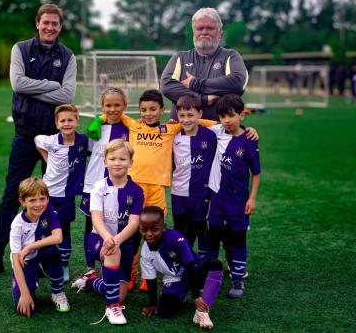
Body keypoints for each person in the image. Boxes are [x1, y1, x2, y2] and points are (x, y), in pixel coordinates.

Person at [0, 3, 76, 279]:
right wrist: (52, 86)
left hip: (55, 142)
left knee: (52, 199)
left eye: (55, 23)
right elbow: (18, 84)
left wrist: (38, 87)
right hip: (25, 136)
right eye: (46, 22)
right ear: (37, 23)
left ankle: (49, 259)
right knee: (11, 197)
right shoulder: (20, 49)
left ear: (60, 27)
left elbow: (67, 96)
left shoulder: (68, 56)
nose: (50, 27)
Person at [87, 89, 218, 292]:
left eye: (153, 109)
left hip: (157, 189)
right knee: (131, 234)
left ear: (162, 110)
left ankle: (149, 279)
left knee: (155, 234)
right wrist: (98, 120)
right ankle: (129, 276)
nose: (148, 113)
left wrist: (234, 127)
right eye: (144, 110)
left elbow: (198, 122)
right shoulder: (134, 125)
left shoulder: (169, 128)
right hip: (134, 189)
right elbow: (115, 113)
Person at [71, 139, 144, 325]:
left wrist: (117, 239)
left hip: (125, 240)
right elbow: (96, 219)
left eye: (122, 158)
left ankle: (90, 281)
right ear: (105, 161)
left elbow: (134, 223)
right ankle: (112, 308)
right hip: (99, 238)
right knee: (114, 251)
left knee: (120, 295)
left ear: (131, 162)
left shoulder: (137, 191)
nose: (117, 162)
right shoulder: (98, 188)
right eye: (112, 158)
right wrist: (109, 238)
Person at [206, 94, 261, 299]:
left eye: (231, 116)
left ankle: (237, 278)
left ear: (241, 115)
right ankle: (210, 277)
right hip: (217, 199)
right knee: (213, 240)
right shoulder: (217, 132)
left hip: (238, 201)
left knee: (237, 240)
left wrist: (252, 198)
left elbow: (256, 172)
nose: (226, 120)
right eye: (222, 116)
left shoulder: (249, 140)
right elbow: (195, 122)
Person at [139, 206, 223, 330]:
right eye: (144, 230)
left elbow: (191, 267)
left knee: (215, 264)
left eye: (154, 229)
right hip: (175, 279)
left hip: (195, 271)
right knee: (164, 312)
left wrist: (196, 296)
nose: (149, 234)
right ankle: (179, 294)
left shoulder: (176, 239)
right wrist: (153, 303)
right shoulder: (145, 252)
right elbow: (151, 279)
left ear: (164, 227)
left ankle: (202, 313)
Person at [161, 7, 248, 121]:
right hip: (182, 133)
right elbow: (167, 87)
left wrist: (195, 83)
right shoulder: (180, 57)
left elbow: (237, 83)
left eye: (210, 28)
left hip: (220, 133)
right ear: (194, 32)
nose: (204, 32)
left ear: (220, 32)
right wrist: (203, 99)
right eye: (199, 28)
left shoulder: (231, 56)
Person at [34, 104, 88, 283]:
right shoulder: (51, 141)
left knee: (64, 231)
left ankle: (63, 265)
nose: (66, 123)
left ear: (77, 122)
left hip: (67, 196)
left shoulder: (83, 141)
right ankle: (41, 261)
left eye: (70, 120)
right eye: (62, 120)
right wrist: (47, 159)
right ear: (56, 124)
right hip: (48, 194)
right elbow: (36, 139)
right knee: (43, 228)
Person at [80, 88, 129, 272]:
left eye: (117, 105)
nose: (113, 109)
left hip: (118, 185)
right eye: (108, 105)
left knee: (116, 224)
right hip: (93, 184)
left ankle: (113, 264)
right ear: (102, 106)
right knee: (91, 225)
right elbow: (89, 152)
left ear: (124, 105)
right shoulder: (96, 127)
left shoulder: (129, 129)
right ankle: (90, 267)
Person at [10, 177, 70, 317]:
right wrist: (24, 294)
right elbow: (15, 261)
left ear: (48, 199)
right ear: (22, 201)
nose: (38, 204)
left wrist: (29, 247)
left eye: (42, 199)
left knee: (52, 252)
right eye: (32, 200)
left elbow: (58, 237)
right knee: (25, 308)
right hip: (26, 263)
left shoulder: (48, 211)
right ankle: (28, 285)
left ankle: (58, 292)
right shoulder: (17, 225)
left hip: (42, 257)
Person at [171, 95, 217, 254]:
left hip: (201, 193)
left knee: (200, 227)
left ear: (200, 114)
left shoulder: (211, 135)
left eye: (190, 115)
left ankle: (204, 262)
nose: (186, 119)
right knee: (180, 230)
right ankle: (183, 262)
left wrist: (248, 129)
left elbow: (231, 128)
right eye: (182, 115)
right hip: (178, 192)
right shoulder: (172, 135)